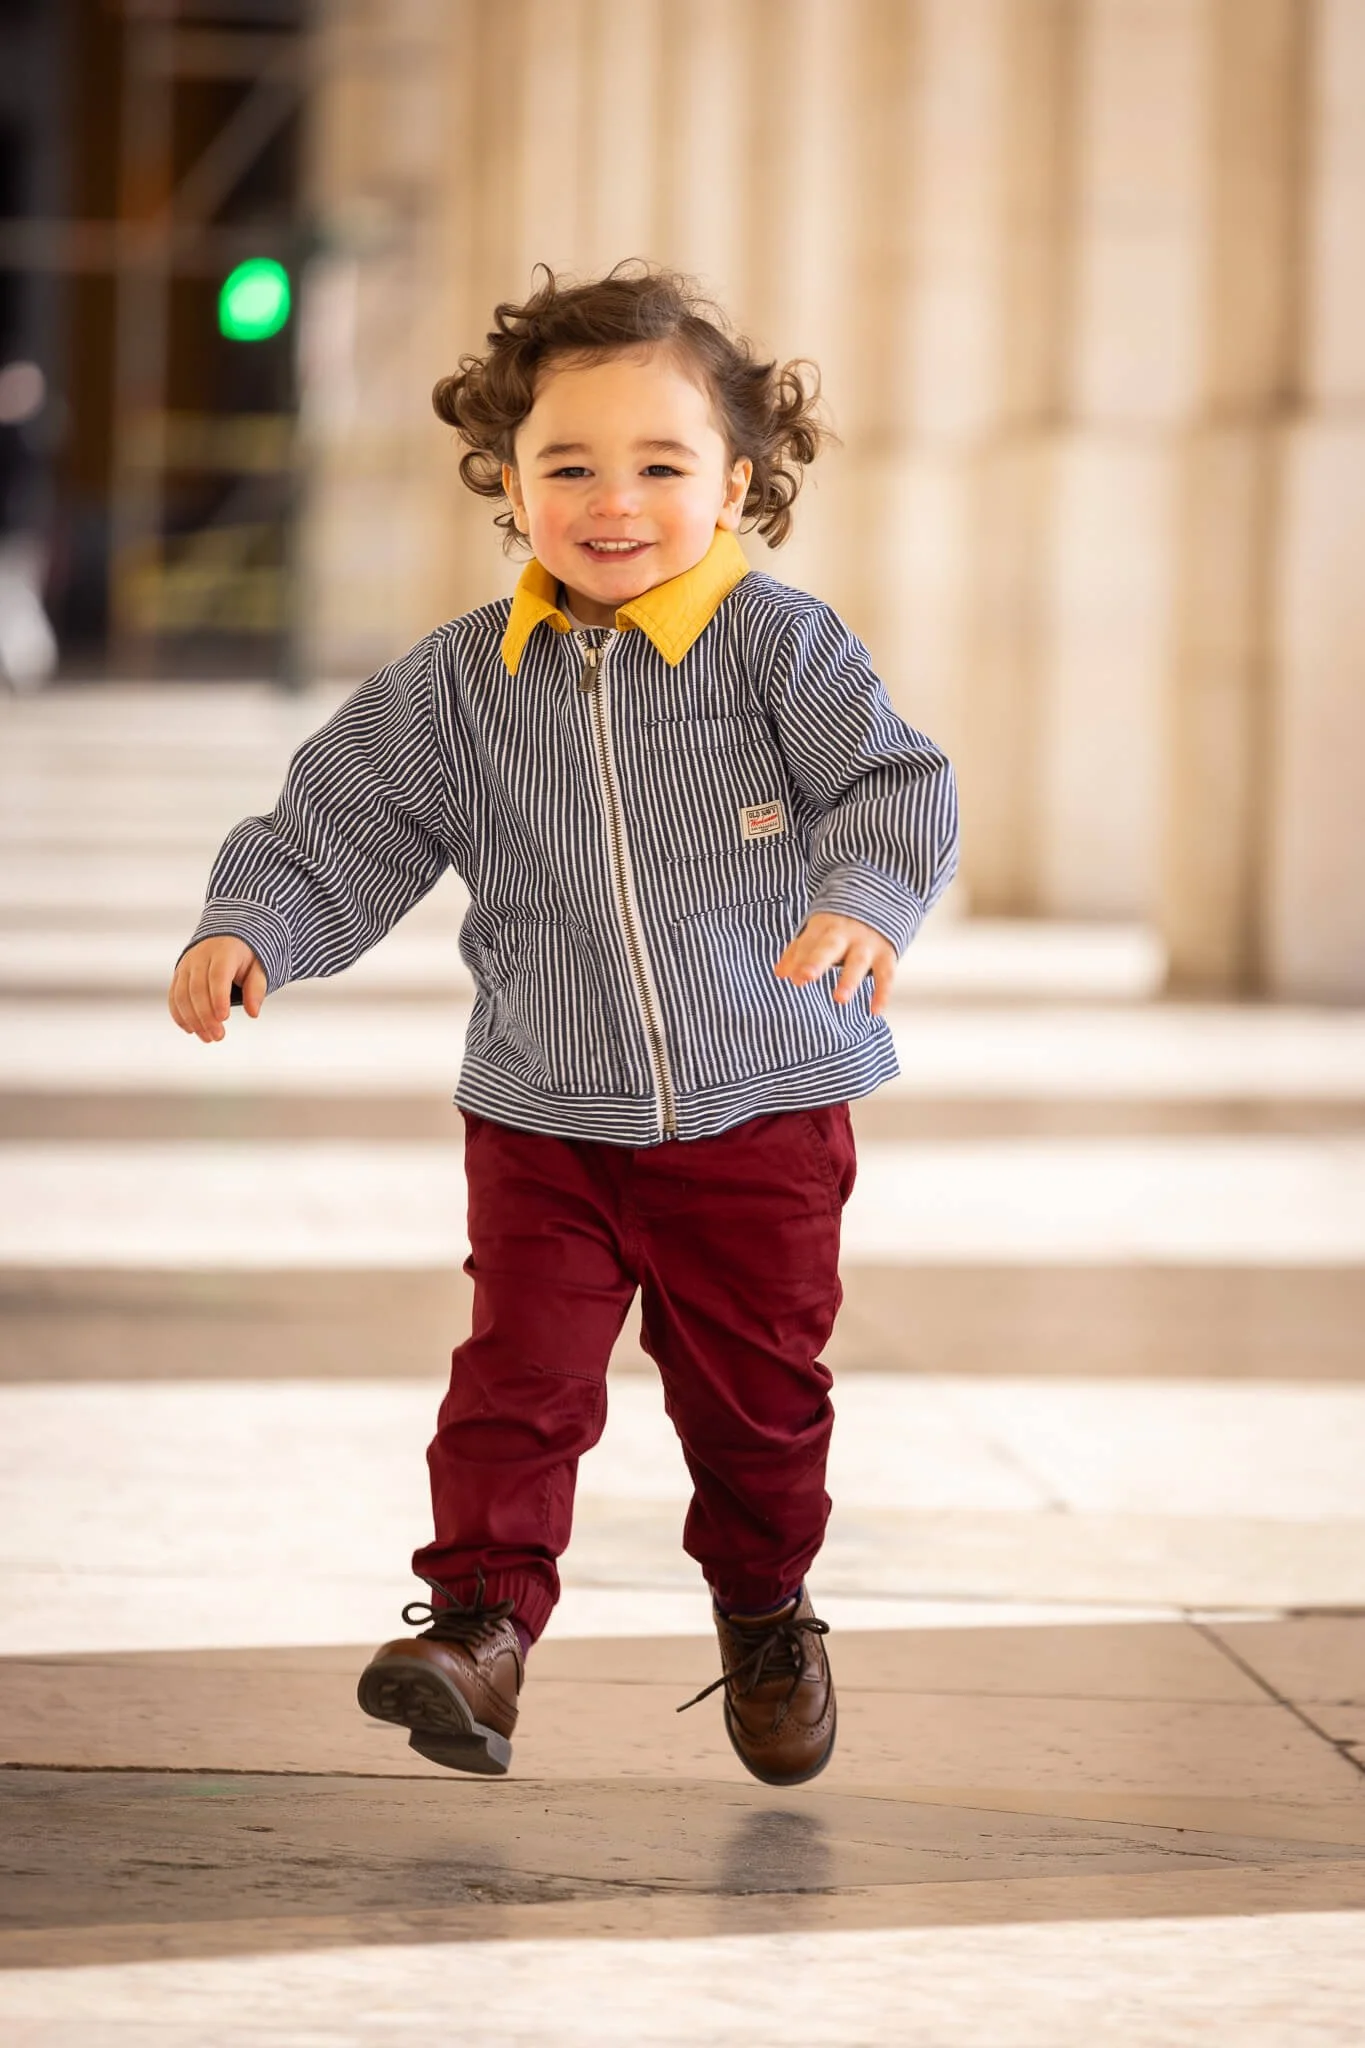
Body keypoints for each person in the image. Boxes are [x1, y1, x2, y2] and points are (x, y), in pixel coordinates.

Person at [168, 264, 959, 1785]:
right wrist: (250, 924)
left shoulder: (781, 650)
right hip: (545, 1116)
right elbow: (348, 818)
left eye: (661, 466)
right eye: (568, 466)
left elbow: (891, 781)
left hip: (767, 1110)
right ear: (510, 481)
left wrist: (866, 894)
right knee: (515, 1383)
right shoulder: (466, 683)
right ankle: (476, 1631)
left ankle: (765, 1607)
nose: (615, 500)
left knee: (762, 1406)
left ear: (736, 484)